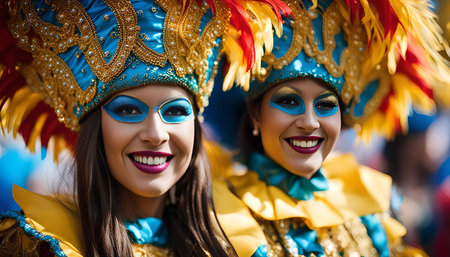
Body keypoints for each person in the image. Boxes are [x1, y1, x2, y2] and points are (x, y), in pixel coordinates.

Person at [0, 0, 290, 256]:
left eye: (175, 111)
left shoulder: (239, 242)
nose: (155, 134)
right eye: (128, 110)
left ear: (195, 127)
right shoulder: (40, 245)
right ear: (96, 129)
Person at [210, 0, 450, 256]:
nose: (310, 122)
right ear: (256, 115)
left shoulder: (372, 208)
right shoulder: (220, 215)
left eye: (325, 105)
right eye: (289, 101)